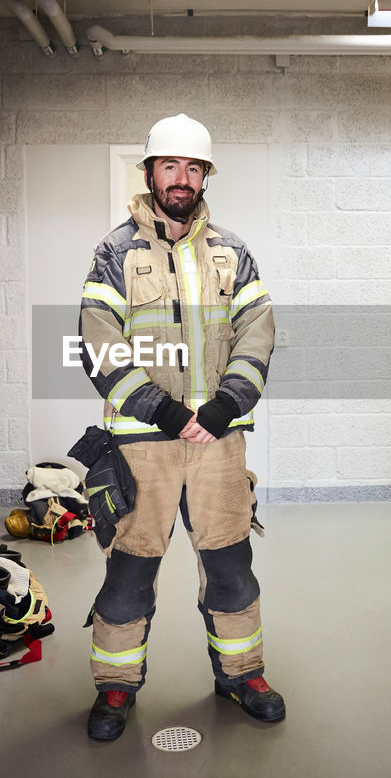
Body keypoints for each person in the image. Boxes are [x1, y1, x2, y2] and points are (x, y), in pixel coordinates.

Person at [78, 113, 280, 741]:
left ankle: (241, 674)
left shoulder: (233, 251)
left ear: (203, 177)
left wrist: (223, 407)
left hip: (218, 444)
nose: (182, 178)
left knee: (230, 566)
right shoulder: (115, 253)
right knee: (131, 568)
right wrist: (162, 411)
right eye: (171, 166)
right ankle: (116, 687)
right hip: (145, 446)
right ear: (150, 173)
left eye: (193, 168)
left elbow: (258, 331)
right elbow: (98, 344)